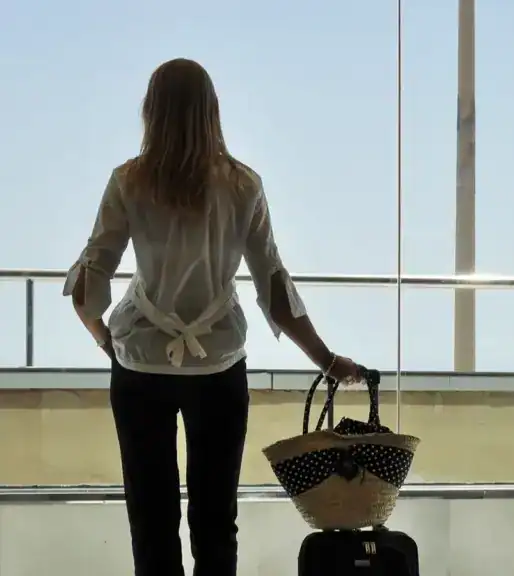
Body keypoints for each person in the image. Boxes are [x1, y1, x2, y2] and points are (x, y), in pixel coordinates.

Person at [64, 58, 362, 576]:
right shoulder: (243, 184)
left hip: (140, 369)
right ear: (212, 111)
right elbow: (273, 283)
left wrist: (103, 338)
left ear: (150, 111)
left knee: (151, 520)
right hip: (219, 368)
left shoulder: (128, 182)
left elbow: (91, 282)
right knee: (216, 520)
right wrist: (326, 359)